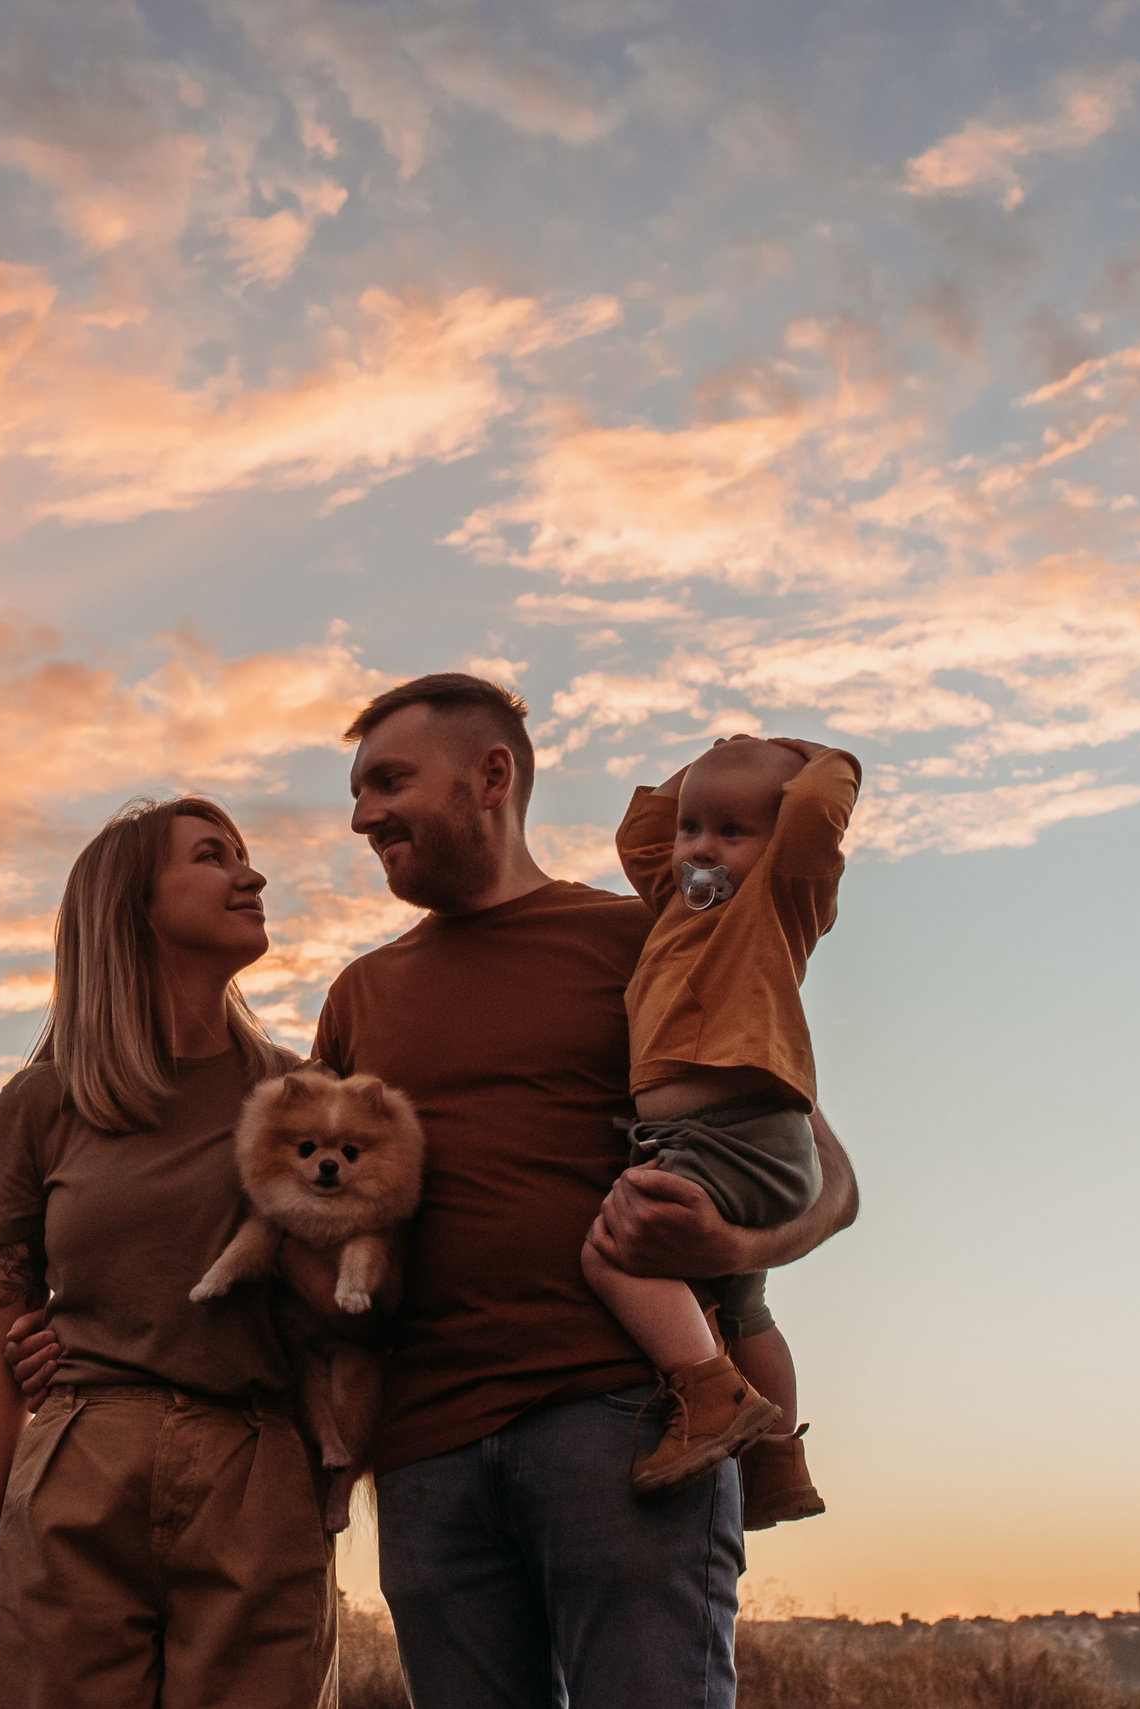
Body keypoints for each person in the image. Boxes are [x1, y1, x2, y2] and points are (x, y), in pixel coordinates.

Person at [312, 673, 858, 1709]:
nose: (361, 813)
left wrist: (732, 1246)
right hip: (425, 1453)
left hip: (624, 1429)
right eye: (356, 789)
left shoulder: (643, 939)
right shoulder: (358, 997)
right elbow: (321, 1215)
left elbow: (825, 1173)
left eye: (388, 780)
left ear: (491, 775)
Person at [0, 796, 354, 1709]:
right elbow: (0, 1325)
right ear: (133, 906)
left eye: (243, 854)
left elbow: (361, 1303)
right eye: (213, 856)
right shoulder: (38, 1104)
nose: (252, 875)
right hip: (79, 1466)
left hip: (256, 1465)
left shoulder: (303, 1096)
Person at [583, 734, 860, 1514]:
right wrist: (714, 762)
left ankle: (711, 1398)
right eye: (694, 828)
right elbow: (643, 828)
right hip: (720, 1141)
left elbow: (813, 808)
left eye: (733, 832)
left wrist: (803, 755)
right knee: (742, 1311)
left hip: (737, 1135)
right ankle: (776, 1465)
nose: (703, 846)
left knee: (615, 1251)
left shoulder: (777, 904)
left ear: (778, 845)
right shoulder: (678, 905)